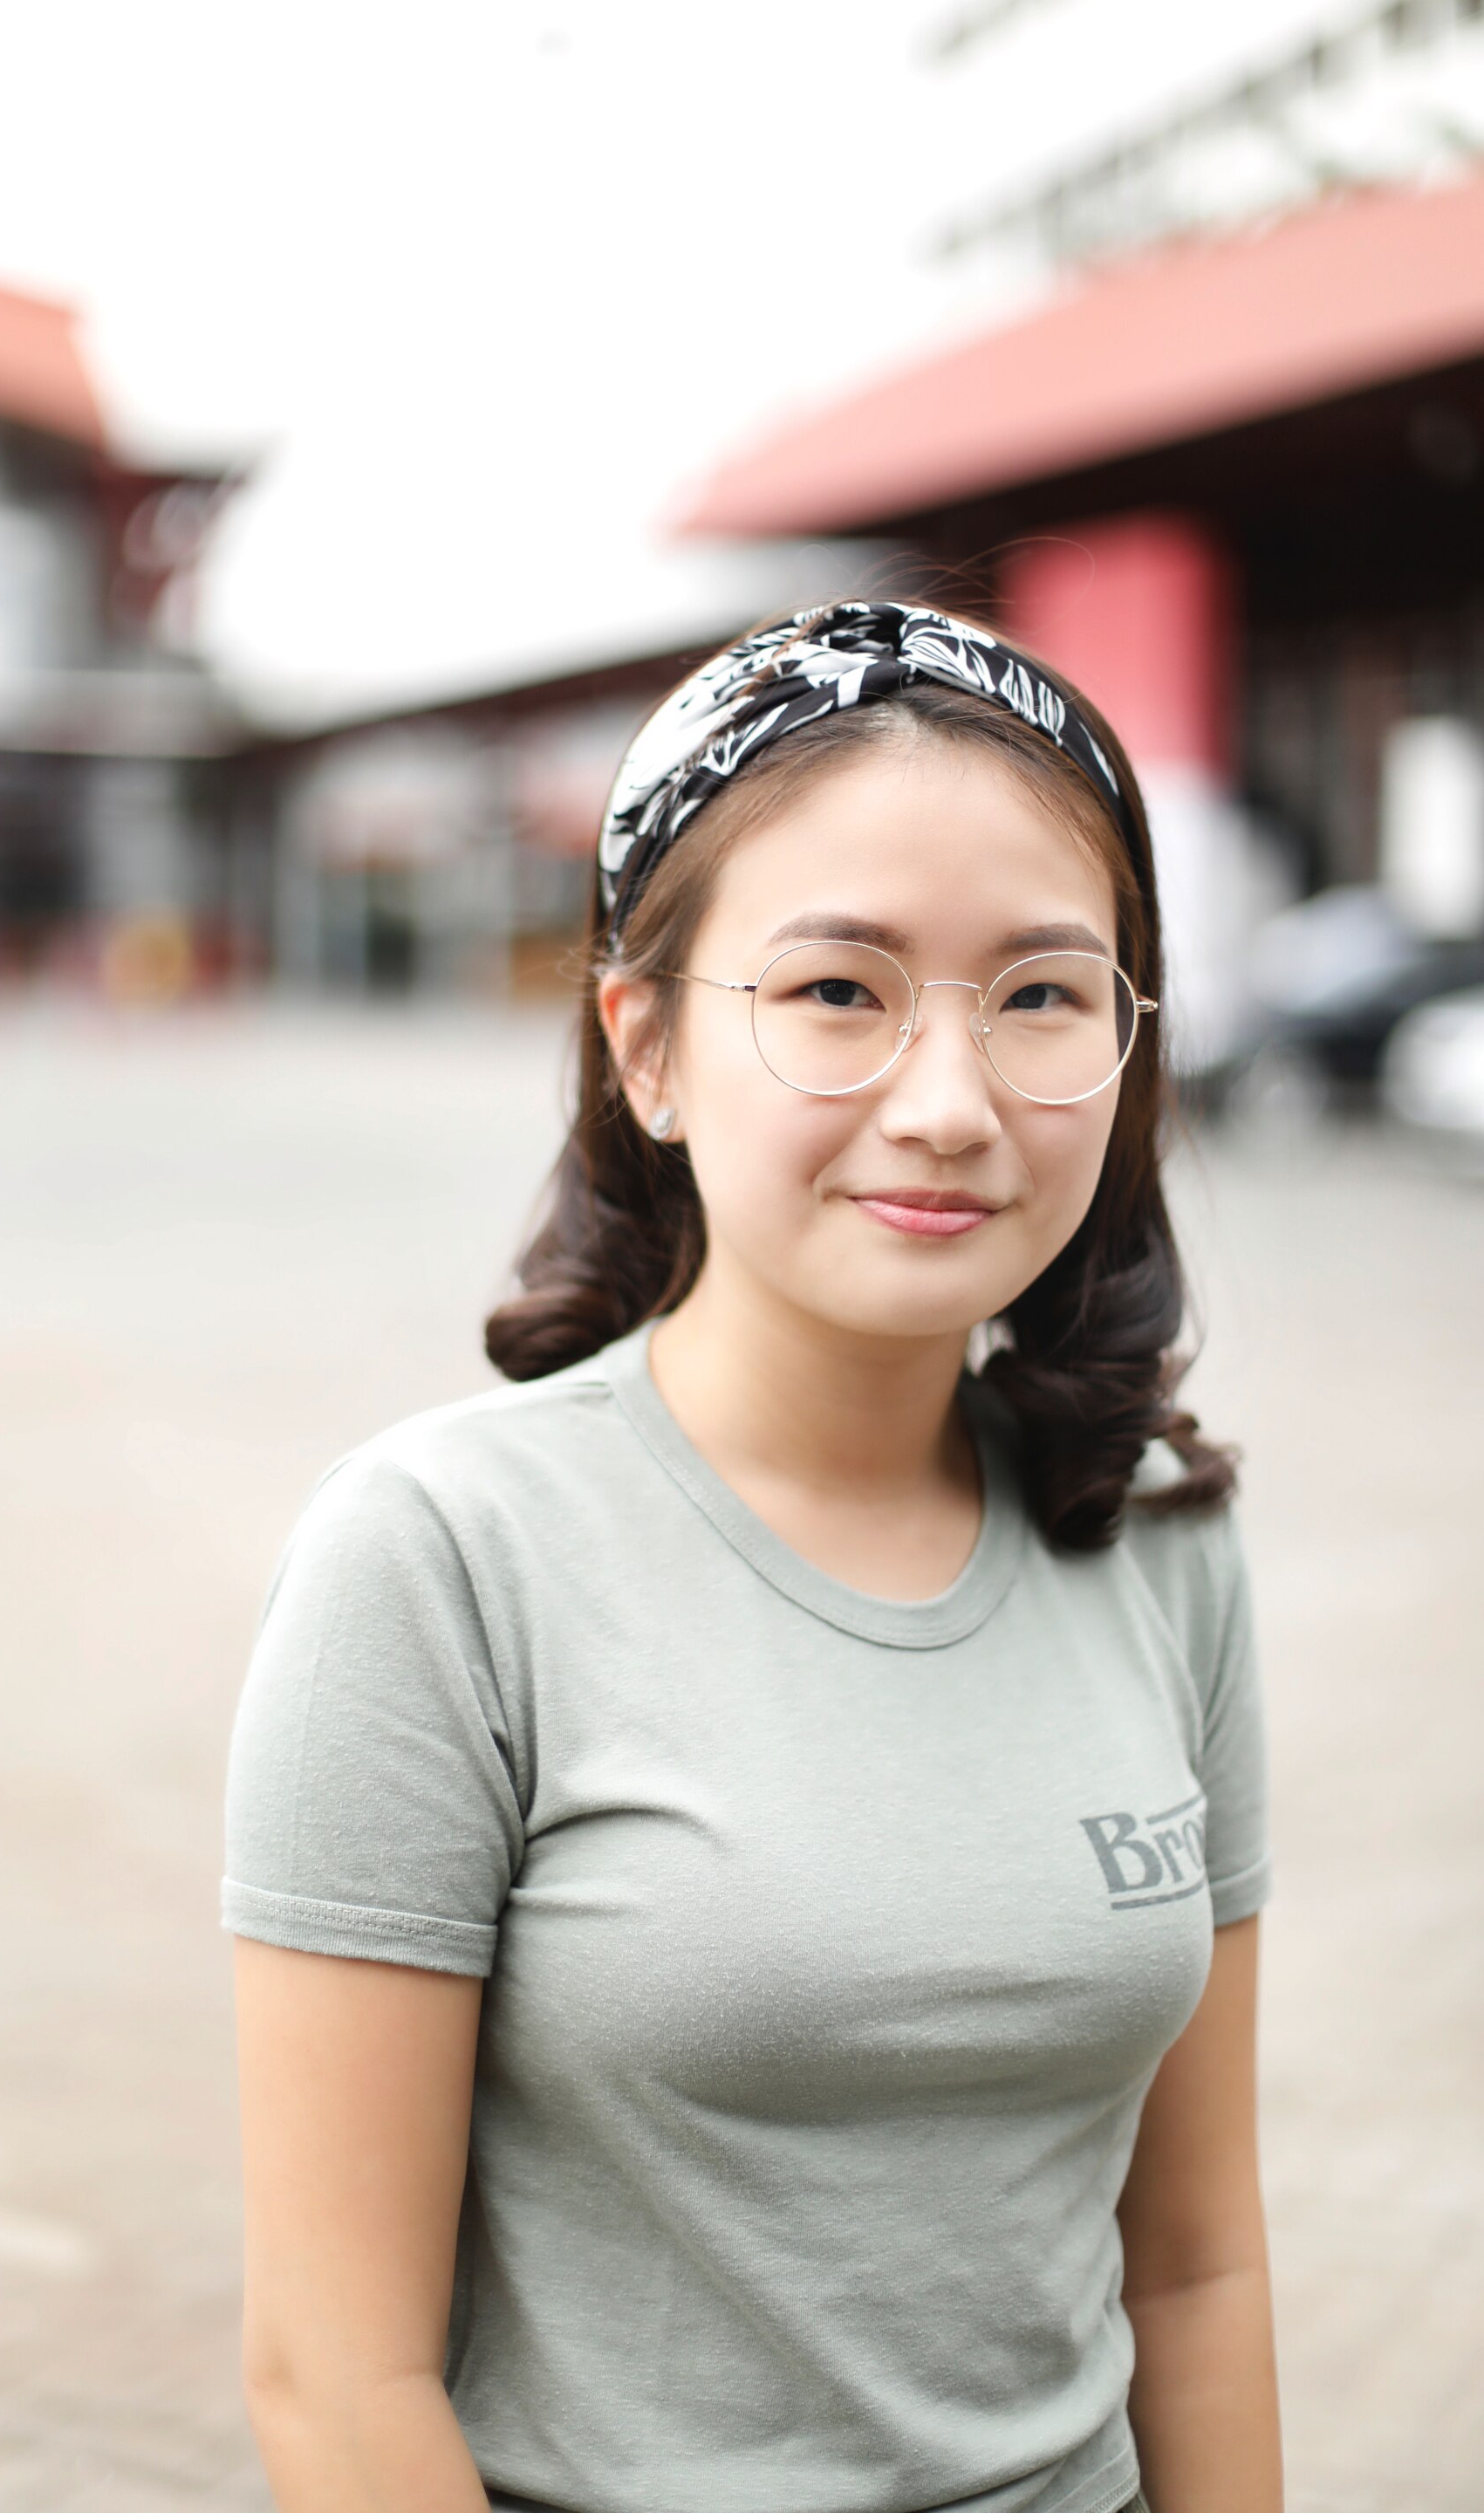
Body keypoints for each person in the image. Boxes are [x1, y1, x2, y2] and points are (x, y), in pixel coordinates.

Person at [224, 601, 1281, 2513]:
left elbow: (1198, 2272)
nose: (950, 1106)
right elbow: (335, 2372)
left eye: (1042, 996)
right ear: (645, 1045)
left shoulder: (1154, 1540)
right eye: (837, 992)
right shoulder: (444, 1561)